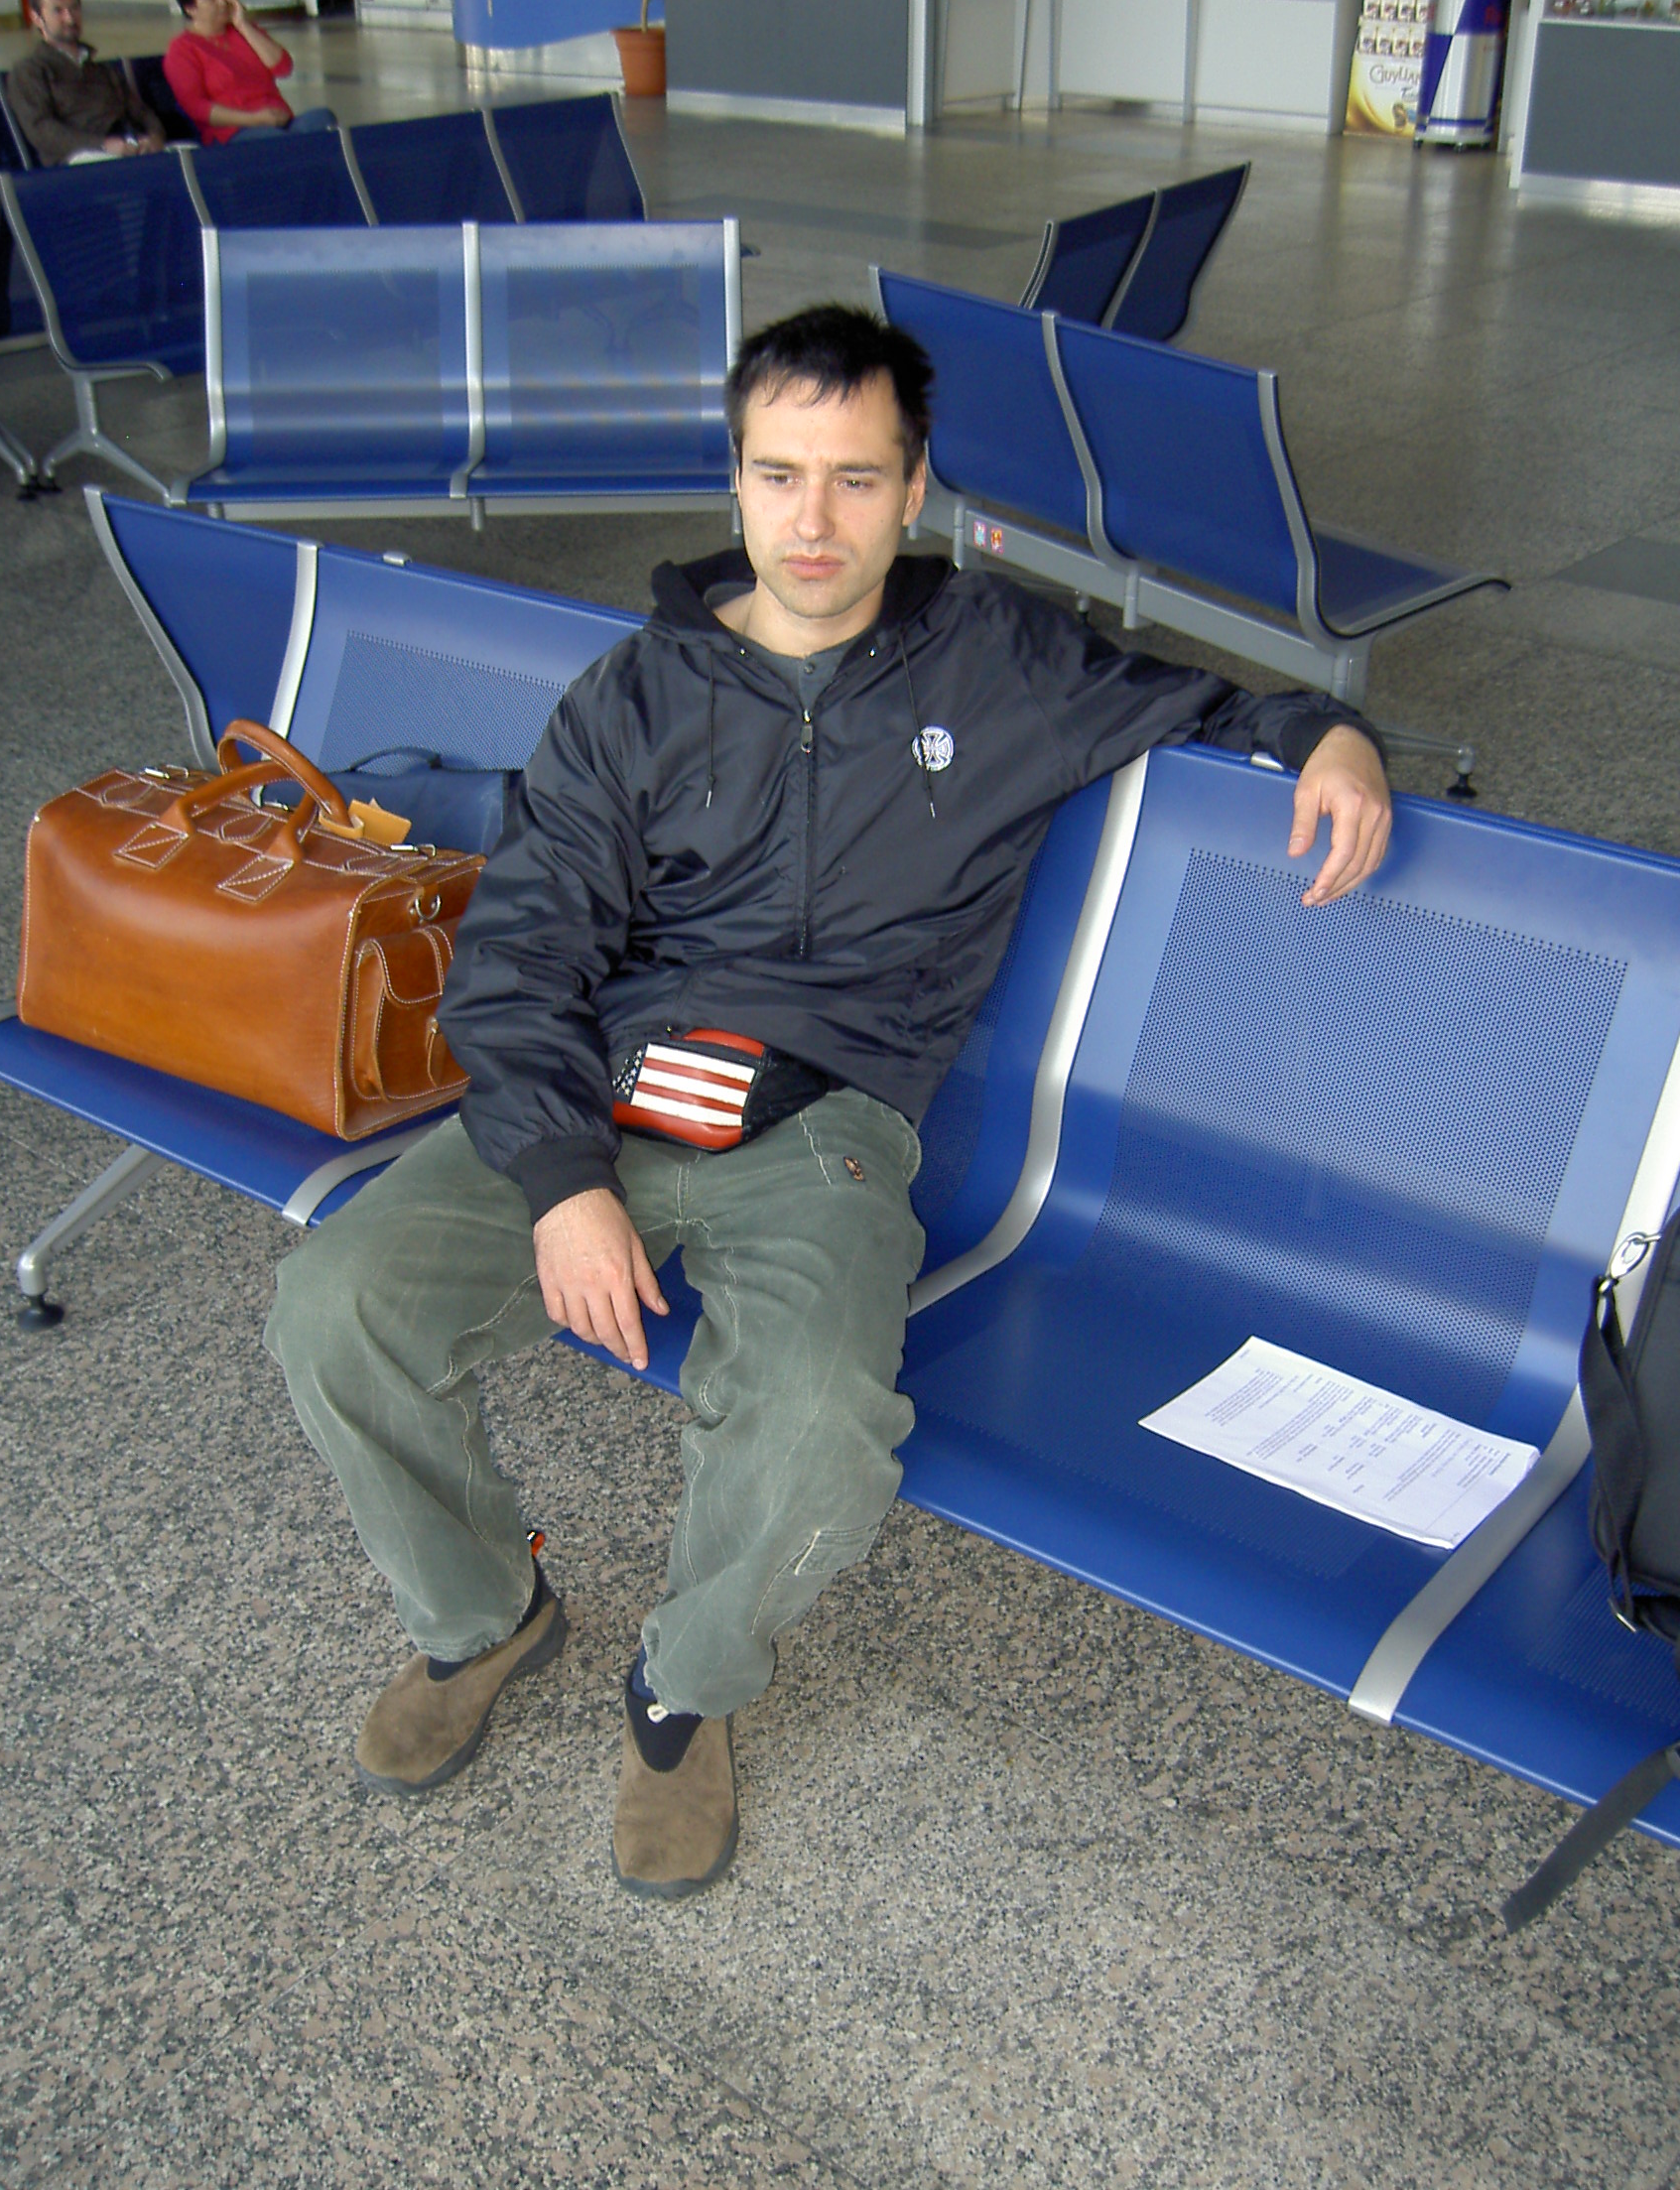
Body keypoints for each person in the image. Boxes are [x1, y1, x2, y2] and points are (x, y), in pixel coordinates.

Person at [265, 305, 1391, 1901]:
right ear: (732, 481)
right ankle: (483, 1615)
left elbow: (1207, 700)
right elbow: (518, 962)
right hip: (606, 1088)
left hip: (831, 1121)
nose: (813, 521)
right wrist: (565, 1184)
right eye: (779, 475)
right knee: (334, 1309)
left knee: (816, 1434)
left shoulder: (1001, 663)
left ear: (914, 490)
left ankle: (685, 1692)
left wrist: (1332, 735)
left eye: (856, 480)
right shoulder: (637, 696)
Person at [164, 0, 336, 145]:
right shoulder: (182, 49)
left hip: (280, 122)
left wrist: (243, 25)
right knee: (281, 142)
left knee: (323, 119)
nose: (222, 1)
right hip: (234, 131)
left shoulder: (244, 31)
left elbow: (283, 67)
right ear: (190, 8)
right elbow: (196, 107)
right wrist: (255, 119)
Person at [5, 0, 167, 167]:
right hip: (77, 159)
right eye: (58, 11)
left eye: (74, 8)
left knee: (186, 157)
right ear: (37, 18)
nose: (70, 18)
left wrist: (155, 136)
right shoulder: (30, 71)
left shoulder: (101, 70)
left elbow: (140, 111)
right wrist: (103, 145)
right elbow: (41, 130)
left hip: (126, 146)